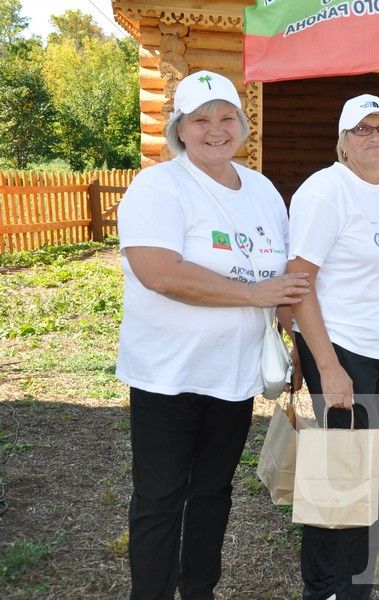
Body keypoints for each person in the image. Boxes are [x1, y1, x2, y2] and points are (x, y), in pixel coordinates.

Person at [116, 70, 310, 599]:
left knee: (213, 493)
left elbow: (285, 276)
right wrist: (258, 295)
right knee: (159, 498)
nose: (216, 130)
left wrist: (286, 332)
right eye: (201, 120)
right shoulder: (157, 187)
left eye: (227, 117)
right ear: (180, 128)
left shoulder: (264, 190)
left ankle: (198, 588)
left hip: (233, 374)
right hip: (168, 374)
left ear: (243, 125)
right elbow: (161, 273)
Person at [286, 93, 379, 599]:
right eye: (362, 128)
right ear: (342, 140)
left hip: (378, 357)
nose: (376, 136)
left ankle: (323, 587)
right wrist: (328, 365)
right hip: (340, 352)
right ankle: (344, 588)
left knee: (340, 474)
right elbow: (299, 284)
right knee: (364, 484)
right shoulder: (326, 191)